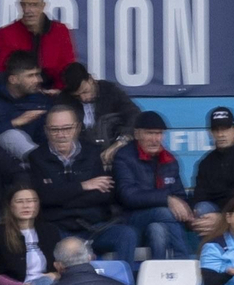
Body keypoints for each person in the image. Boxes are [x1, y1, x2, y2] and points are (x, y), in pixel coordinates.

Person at [27, 104, 136, 266]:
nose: (61, 134)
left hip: (94, 227)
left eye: (67, 128)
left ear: (77, 128)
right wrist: (83, 186)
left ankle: (123, 279)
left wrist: (61, 194)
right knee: (49, 238)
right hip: (60, 230)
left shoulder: (93, 152)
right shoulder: (36, 157)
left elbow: (104, 194)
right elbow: (44, 197)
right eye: (54, 130)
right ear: (46, 130)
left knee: (126, 234)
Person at [112, 109, 193, 260]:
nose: (155, 139)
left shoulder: (169, 160)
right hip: (130, 219)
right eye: (150, 133)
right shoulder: (124, 157)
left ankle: (158, 271)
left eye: (159, 133)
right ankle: (184, 260)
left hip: (158, 222)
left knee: (158, 230)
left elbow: (180, 197)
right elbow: (128, 196)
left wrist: (189, 213)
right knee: (165, 212)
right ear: (137, 134)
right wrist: (167, 199)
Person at [0, 185, 61, 285]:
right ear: (10, 206)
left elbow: (61, 265)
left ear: (38, 204)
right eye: (20, 201)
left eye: (32, 201)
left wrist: (54, 275)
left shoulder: (50, 231)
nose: (26, 206)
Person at [0, 0, 77, 90]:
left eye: (34, 5)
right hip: (19, 94)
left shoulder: (60, 31)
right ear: (20, 5)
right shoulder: (5, 34)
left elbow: (68, 69)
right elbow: (2, 72)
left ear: (43, 5)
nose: (28, 10)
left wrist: (58, 92)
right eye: (24, 5)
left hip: (54, 93)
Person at [0, 51, 51, 160]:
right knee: (11, 135)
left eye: (38, 74)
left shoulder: (40, 99)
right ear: (13, 79)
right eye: (31, 75)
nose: (39, 80)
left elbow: (45, 137)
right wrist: (14, 123)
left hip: (30, 159)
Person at [57, 63, 139, 154]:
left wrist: (121, 141)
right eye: (77, 96)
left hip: (113, 146)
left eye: (85, 91)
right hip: (80, 153)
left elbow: (134, 115)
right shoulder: (64, 100)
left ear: (91, 79)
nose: (83, 98)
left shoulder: (110, 91)